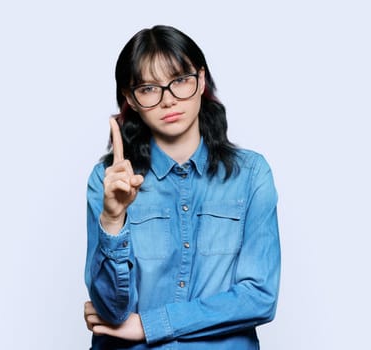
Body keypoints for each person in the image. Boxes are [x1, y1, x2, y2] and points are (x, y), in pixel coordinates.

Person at [84, 25, 280, 349]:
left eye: (180, 81)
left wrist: (149, 325)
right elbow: (110, 312)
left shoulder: (251, 175)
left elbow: (259, 297)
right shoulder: (109, 181)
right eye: (149, 88)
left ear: (201, 81)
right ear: (131, 99)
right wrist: (112, 220)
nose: (168, 100)